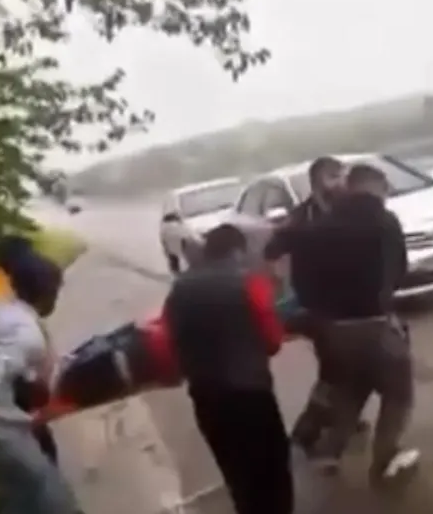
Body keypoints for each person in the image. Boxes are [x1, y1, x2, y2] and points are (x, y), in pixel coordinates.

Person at [278, 163, 419, 486]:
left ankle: (328, 452)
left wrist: (322, 313)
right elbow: (398, 270)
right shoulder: (384, 221)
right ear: (374, 187)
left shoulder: (317, 227)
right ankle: (386, 459)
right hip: (375, 323)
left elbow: (302, 281)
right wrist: (382, 297)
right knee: (398, 393)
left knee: (352, 388)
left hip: (334, 329)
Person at [163, 224, 293, 514]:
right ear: (237, 251)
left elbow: (170, 341)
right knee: (272, 467)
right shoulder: (249, 283)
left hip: (205, 395)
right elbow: (273, 341)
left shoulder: (180, 288)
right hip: (251, 393)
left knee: (236, 469)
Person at [0, 235, 80, 514]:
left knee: (23, 490)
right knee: (51, 496)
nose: (57, 298)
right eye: (56, 292)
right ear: (45, 293)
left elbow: (18, 370)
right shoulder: (26, 332)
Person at [264, 156, 370, 456]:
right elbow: (272, 250)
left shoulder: (349, 211)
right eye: (334, 177)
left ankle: (340, 418)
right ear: (318, 182)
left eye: (343, 176)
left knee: (345, 367)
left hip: (351, 301)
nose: (342, 182)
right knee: (335, 369)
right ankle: (307, 432)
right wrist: (279, 282)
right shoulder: (302, 218)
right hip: (318, 305)